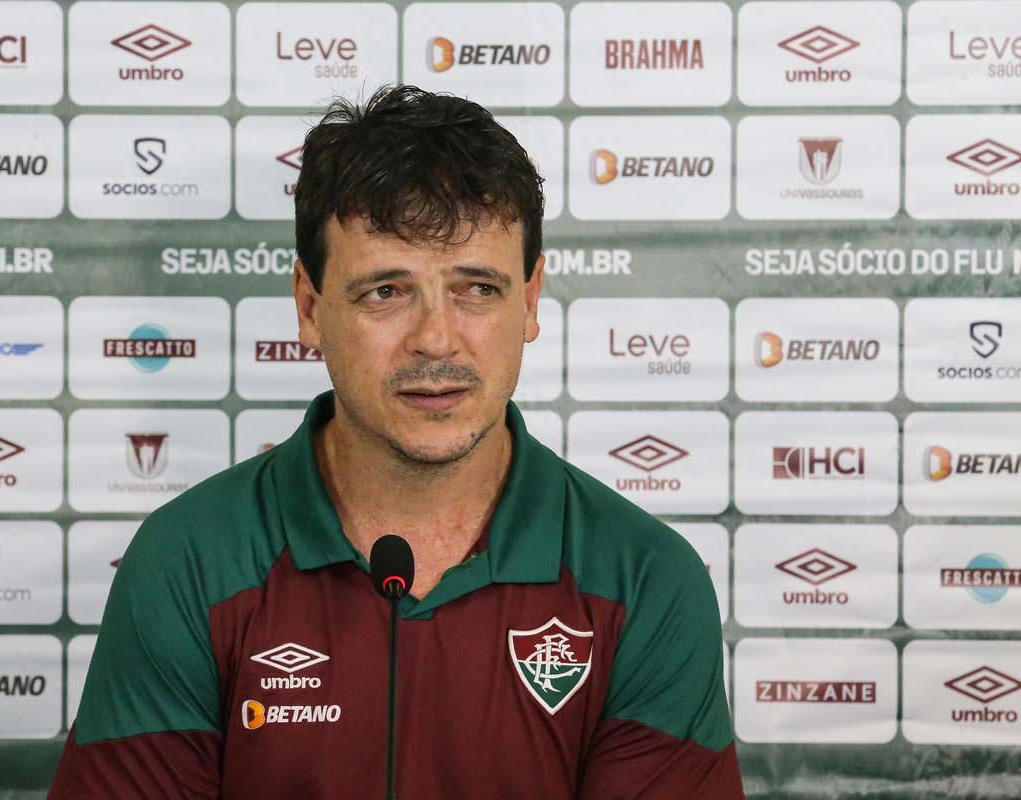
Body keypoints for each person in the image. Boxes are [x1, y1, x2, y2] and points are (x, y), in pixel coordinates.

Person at [48, 83, 744, 799]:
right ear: (309, 307)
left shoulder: (645, 580)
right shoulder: (187, 562)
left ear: (530, 300)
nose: (435, 339)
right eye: (385, 291)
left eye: (477, 289)